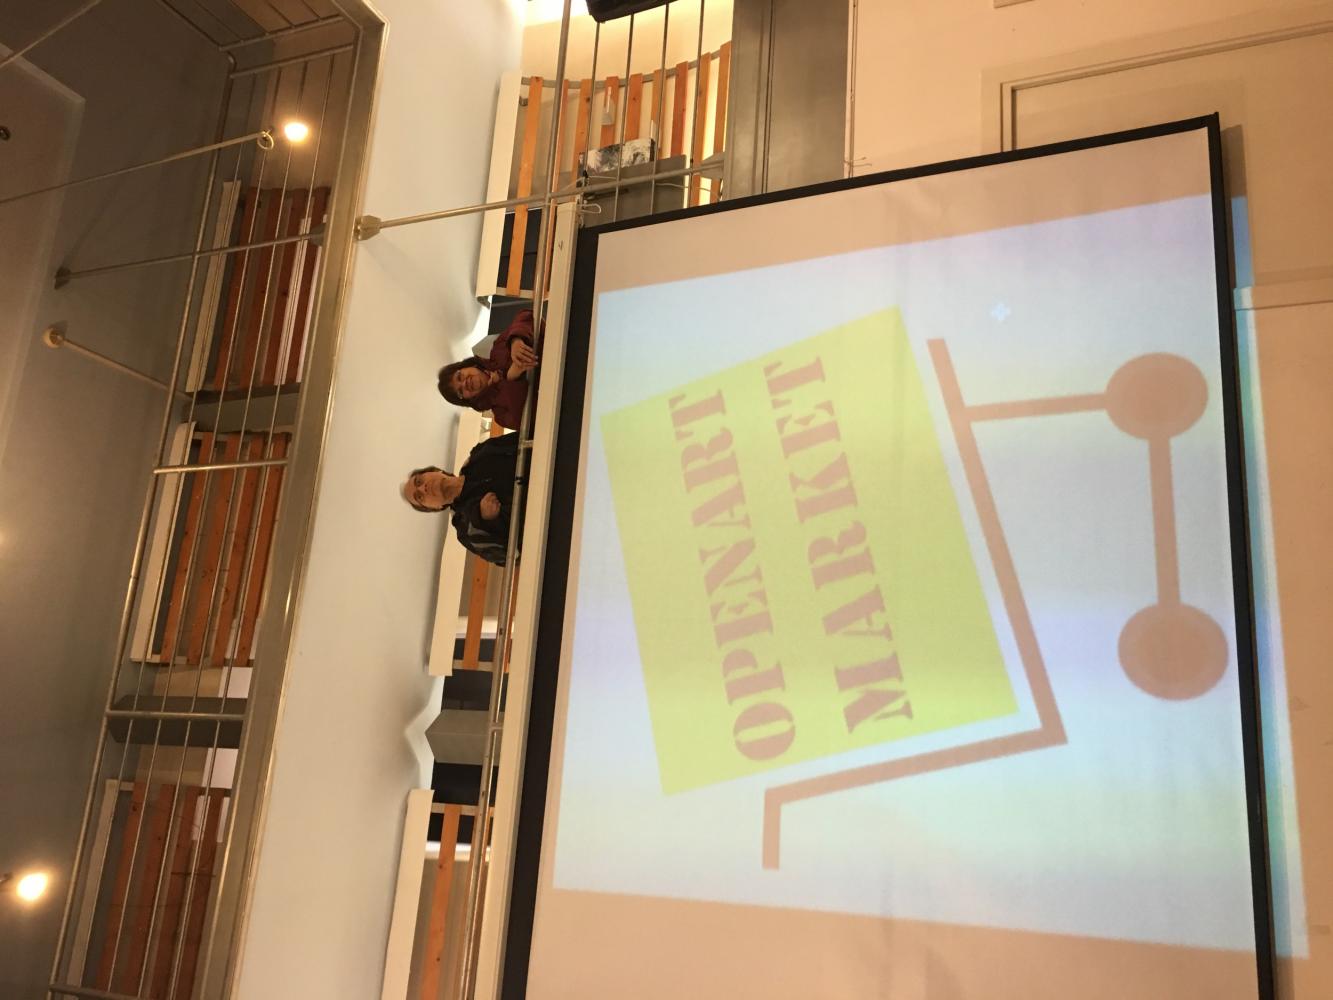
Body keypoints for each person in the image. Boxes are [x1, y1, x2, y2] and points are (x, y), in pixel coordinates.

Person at [401, 432, 519, 565]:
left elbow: (525, 437)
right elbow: (509, 558)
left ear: (435, 471)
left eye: (419, 481)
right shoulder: (466, 530)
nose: (423, 488)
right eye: (420, 497)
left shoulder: (480, 454)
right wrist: (487, 520)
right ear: (436, 508)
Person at [437, 309, 538, 429]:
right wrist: (510, 379)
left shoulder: (499, 348)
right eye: (460, 391)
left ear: (466, 366)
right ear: (466, 400)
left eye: (459, 376)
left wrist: (516, 339)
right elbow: (531, 422)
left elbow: (527, 315)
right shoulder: (500, 414)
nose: (464, 384)